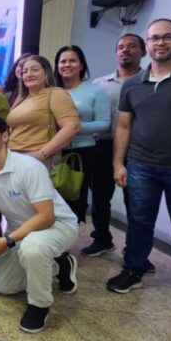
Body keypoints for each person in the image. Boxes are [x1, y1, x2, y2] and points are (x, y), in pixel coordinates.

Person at [107, 18, 171, 314]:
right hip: (141, 165)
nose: (161, 42)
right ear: (147, 44)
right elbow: (123, 126)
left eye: (167, 37)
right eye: (155, 38)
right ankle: (133, 270)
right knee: (139, 222)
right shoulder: (133, 83)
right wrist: (118, 163)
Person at [0, 115, 79, 333]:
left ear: (5, 136)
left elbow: (46, 216)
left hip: (57, 225)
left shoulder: (29, 167)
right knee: (3, 286)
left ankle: (39, 305)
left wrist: (7, 240)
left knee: (33, 249)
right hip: (19, 229)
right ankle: (59, 264)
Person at [83, 34, 144, 257]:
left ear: (143, 51)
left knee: (136, 201)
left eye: (132, 46)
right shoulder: (99, 84)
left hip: (136, 149)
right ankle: (102, 239)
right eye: (121, 47)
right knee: (100, 197)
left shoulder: (148, 83)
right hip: (102, 146)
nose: (125, 50)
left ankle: (135, 249)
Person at [54, 45, 110, 223]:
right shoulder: (51, 90)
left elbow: (104, 123)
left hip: (81, 153)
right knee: (50, 201)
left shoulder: (95, 90)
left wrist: (73, 127)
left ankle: (70, 237)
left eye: (72, 60)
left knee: (74, 201)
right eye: (63, 61)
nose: (67, 65)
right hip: (51, 151)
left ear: (81, 65)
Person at [6, 55, 80, 168]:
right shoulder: (21, 99)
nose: (29, 74)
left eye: (35, 70)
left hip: (39, 159)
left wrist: (42, 154)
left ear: (46, 72)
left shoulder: (55, 94)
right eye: (25, 71)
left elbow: (72, 127)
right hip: (13, 157)